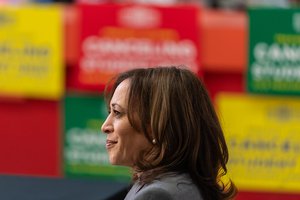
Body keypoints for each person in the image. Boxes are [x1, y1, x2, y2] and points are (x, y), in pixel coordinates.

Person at [101, 66, 237, 200]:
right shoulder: (184, 185)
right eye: (110, 112)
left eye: (117, 112)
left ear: (157, 126)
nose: (105, 126)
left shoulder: (156, 194)